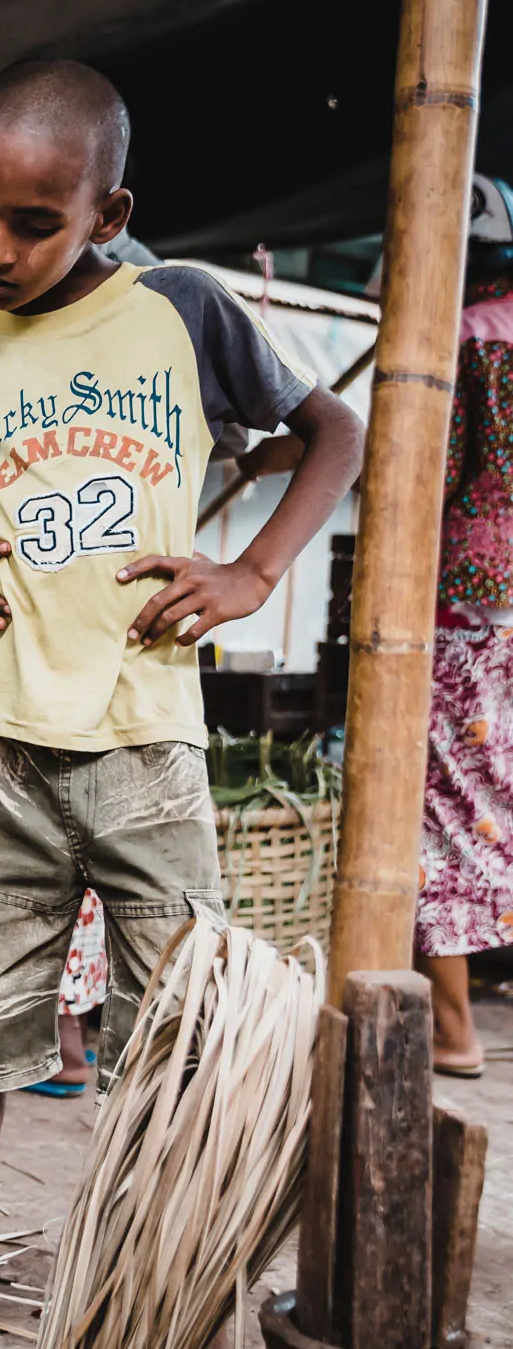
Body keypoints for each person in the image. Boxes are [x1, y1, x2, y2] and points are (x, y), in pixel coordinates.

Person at [0, 60, 365, 1349]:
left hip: (148, 748)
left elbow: (333, 432)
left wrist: (253, 568)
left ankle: (161, 1313)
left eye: (34, 220)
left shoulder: (181, 308)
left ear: (106, 207)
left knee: (183, 1052)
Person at [416, 172, 513, 1080]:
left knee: (446, 808)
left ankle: (454, 1029)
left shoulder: (470, 337)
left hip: (467, 598)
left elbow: (430, 474)